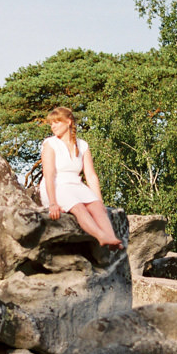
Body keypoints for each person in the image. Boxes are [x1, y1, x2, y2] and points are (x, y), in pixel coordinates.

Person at [38, 106, 124, 248]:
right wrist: (53, 203)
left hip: (76, 185)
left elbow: (90, 175)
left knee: (96, 206)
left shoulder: (82, 145)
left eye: (57, 122)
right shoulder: (50, 144)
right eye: (51, 123)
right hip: (56, 185)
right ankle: (100, 237)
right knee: (78, 207)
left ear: (68, 122)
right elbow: (49, 174)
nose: (53, 126)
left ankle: (111, 238)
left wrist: (99, 201)